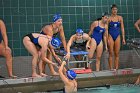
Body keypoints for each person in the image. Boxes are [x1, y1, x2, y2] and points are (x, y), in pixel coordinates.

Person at [108, 4, 126, 71]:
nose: (115, 11)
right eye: (113, 9)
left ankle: (116, 68)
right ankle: (111, 69)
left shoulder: (120, 18)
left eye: (116, 9)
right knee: (111, 53)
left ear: (117, 10)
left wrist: (123, 38)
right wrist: (107, 38)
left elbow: (122, 28)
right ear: (111, 10)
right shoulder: (109, 18)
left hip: (117, 35)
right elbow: (106, 29)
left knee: (117, 53)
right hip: (110, 35)